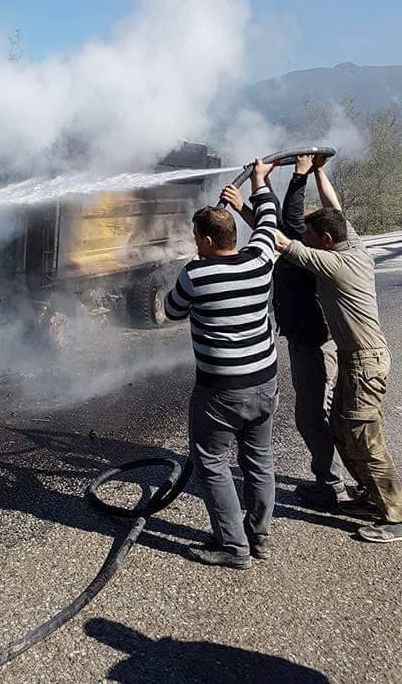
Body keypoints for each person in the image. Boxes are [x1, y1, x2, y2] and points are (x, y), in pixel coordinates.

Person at [274, 158, 402, 542]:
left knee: (365, 439)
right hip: (357, 360)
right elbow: (335, 210)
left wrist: (288, 179)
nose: (307, 239)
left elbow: (282, 239)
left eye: (311, 236)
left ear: (325, 241)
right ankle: (369, 495)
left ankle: (395, 515)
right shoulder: (352, 243)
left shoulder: (332, 263)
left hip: (365, 363)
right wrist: (317, 172)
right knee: (344, 431)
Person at [164, 158, 278, 569]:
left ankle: (233, 547)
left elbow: (171, 311)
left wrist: (187, 276)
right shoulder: (260, 260)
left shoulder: (196, 274)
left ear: (210, 242)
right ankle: (259, 537)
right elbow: (268, 222)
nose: (194, 243)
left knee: (212, 463)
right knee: (259, 461)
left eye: (197, 237)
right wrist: (260, 185)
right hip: (265, 383)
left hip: (220, 392)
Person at [228, 155, 349, 508]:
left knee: (314, 418)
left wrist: (296, 176)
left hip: (313, 345)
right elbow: (275, 236)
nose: (301, 230)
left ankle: (332, 485)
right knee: (315, 415)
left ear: (318, 238)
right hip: (307, 342)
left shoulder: (310, 253)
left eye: (306, 229)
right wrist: (317, 171)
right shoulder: (310, 249)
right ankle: (336, 479)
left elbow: (289, 223)